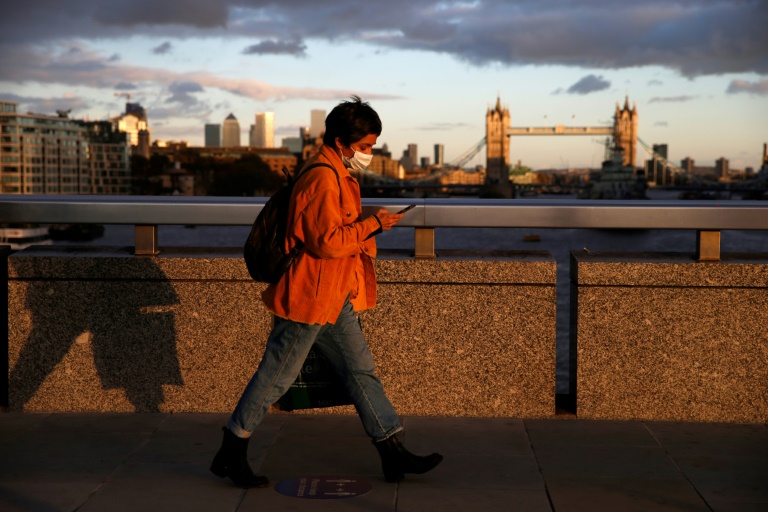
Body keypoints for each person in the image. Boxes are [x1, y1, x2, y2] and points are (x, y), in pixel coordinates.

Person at [210, 96, 443, 488]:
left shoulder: (336, 172)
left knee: (360, 370)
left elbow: (332, 232)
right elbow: (327, 242)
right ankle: (231, 448)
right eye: (365, 146)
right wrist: (373, 225)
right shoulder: (322, 177)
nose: (369, 154)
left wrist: (367, 223)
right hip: (311, 295)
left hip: (334, 292)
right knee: (277, 374)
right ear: (340, 141)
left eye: (372, 146)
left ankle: (392, 450)